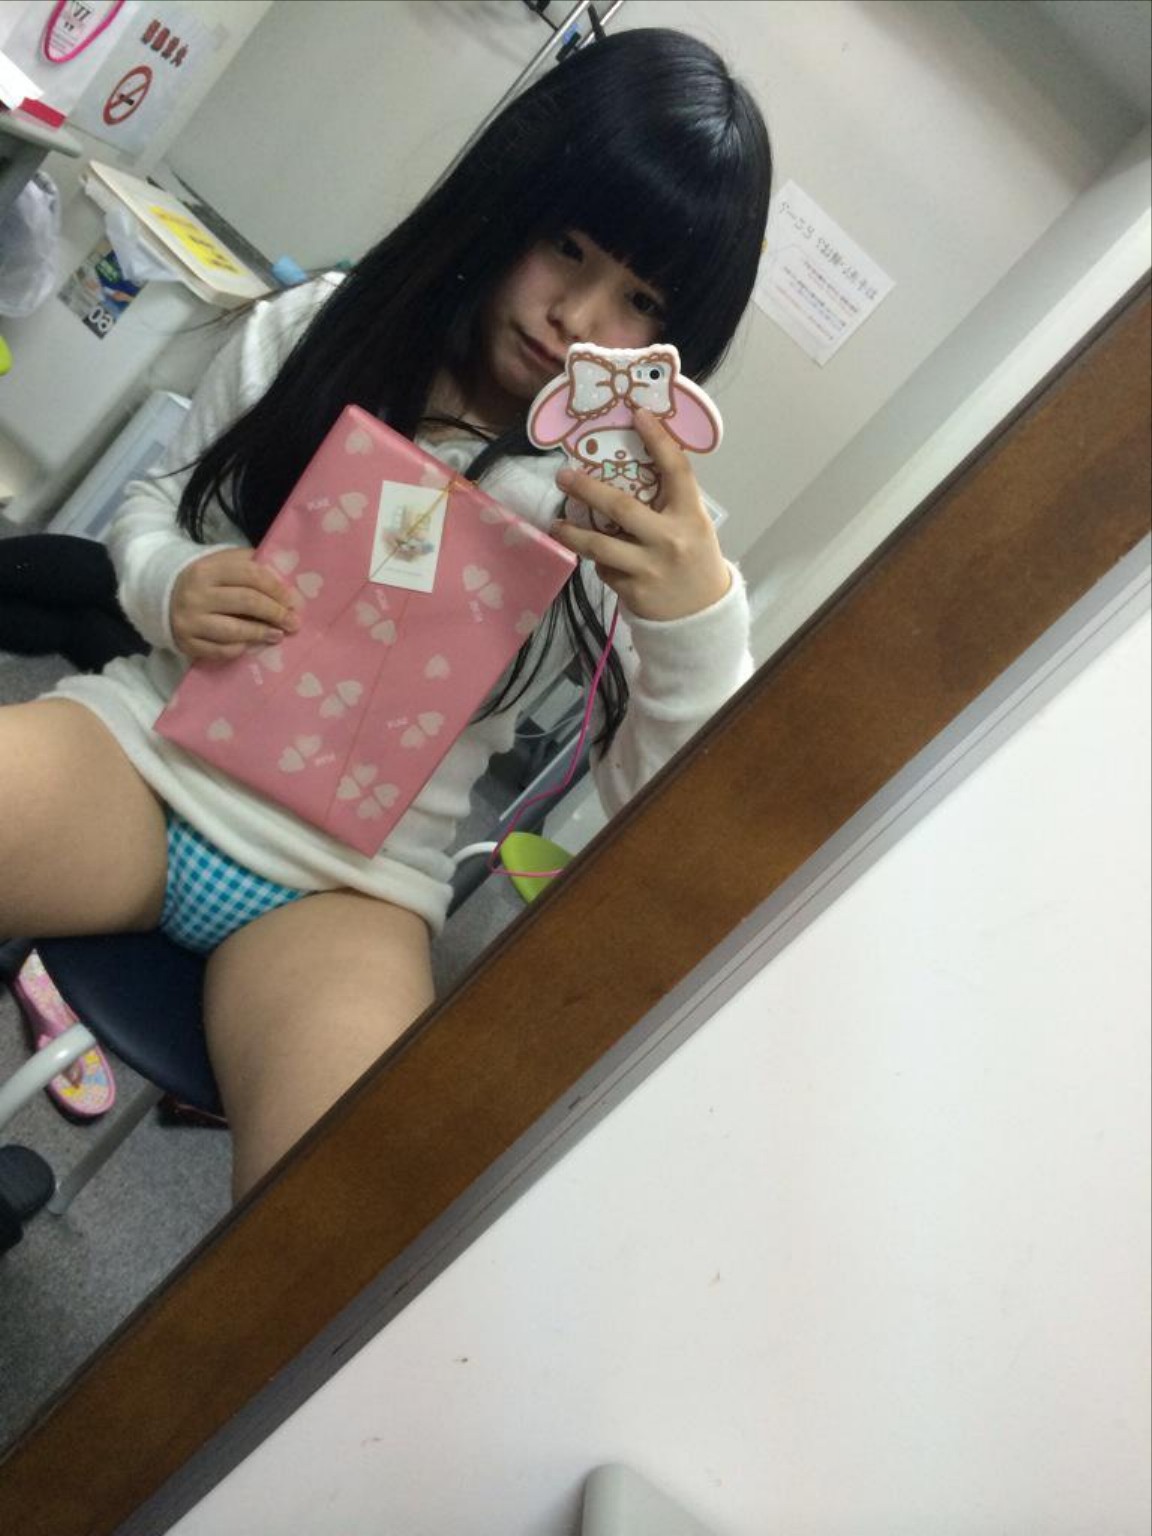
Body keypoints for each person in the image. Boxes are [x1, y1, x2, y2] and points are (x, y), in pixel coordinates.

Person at [0, 28, 772, 1201]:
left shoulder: (627, 513)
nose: (575, 315)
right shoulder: (334, 326)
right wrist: (171, 584)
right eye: (567, 246)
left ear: (677, 339)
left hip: (351, 895)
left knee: (343, 1208)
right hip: (148, 754)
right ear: (513, 199)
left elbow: (675, 809)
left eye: (639, 298)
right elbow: (160, 499)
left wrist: (696, 624)